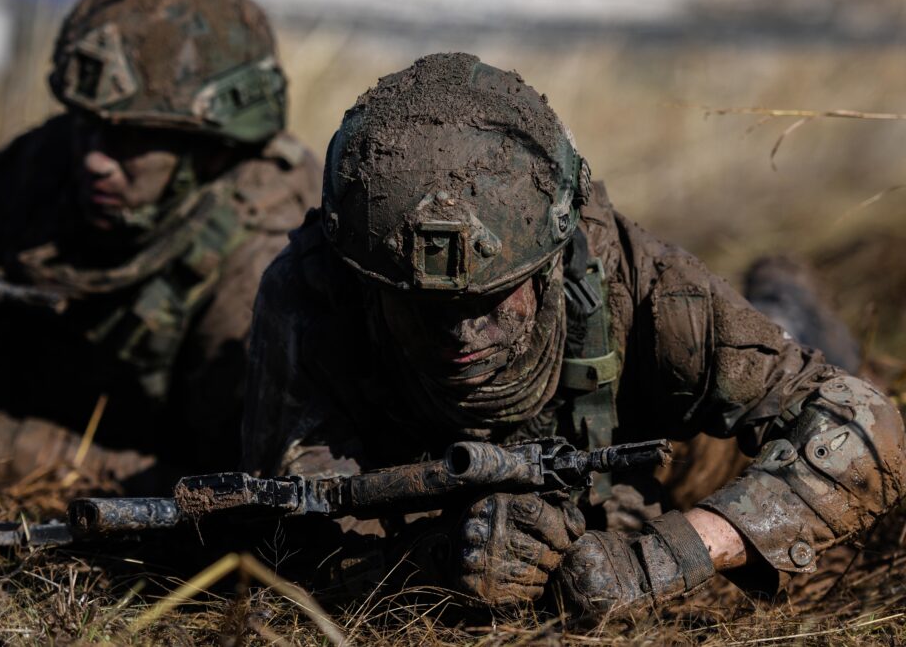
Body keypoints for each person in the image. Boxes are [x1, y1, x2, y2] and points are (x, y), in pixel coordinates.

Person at [240, 53, 906, 621]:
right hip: (444, 508)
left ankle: (785, 294)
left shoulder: (639, 282)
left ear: (552, 259)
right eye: (424, 308)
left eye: (495, 296)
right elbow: (289, 539)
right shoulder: (313, 296)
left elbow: (862, 427)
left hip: (680, 451)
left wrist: (663, 559)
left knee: (797, 341)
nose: (464, 333)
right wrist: (434, 561)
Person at [0, 0, 319, 492]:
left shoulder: (266, 260)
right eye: (85, 124)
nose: (94, 159)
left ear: (213, 147)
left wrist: (28, 456)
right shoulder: (40, 164)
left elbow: (251, 494)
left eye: (131, 137)